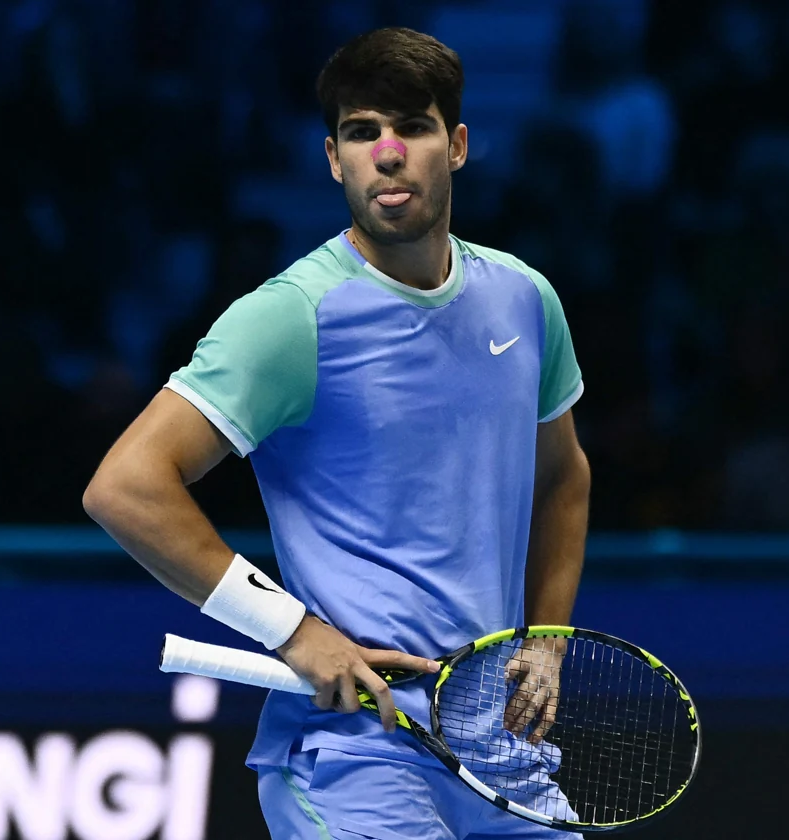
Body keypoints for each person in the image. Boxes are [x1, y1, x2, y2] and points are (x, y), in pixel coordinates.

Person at [84, 27, 590, 840]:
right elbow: (126, 486)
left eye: (412, 128)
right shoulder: (291, 318)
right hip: (358, 750)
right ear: (332, 159)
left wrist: (550, 636)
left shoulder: (526, 301)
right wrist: (293, 630)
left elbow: (563, 476)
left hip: (501, 747)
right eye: (361, 133)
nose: (387, 154)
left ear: (455, 145)